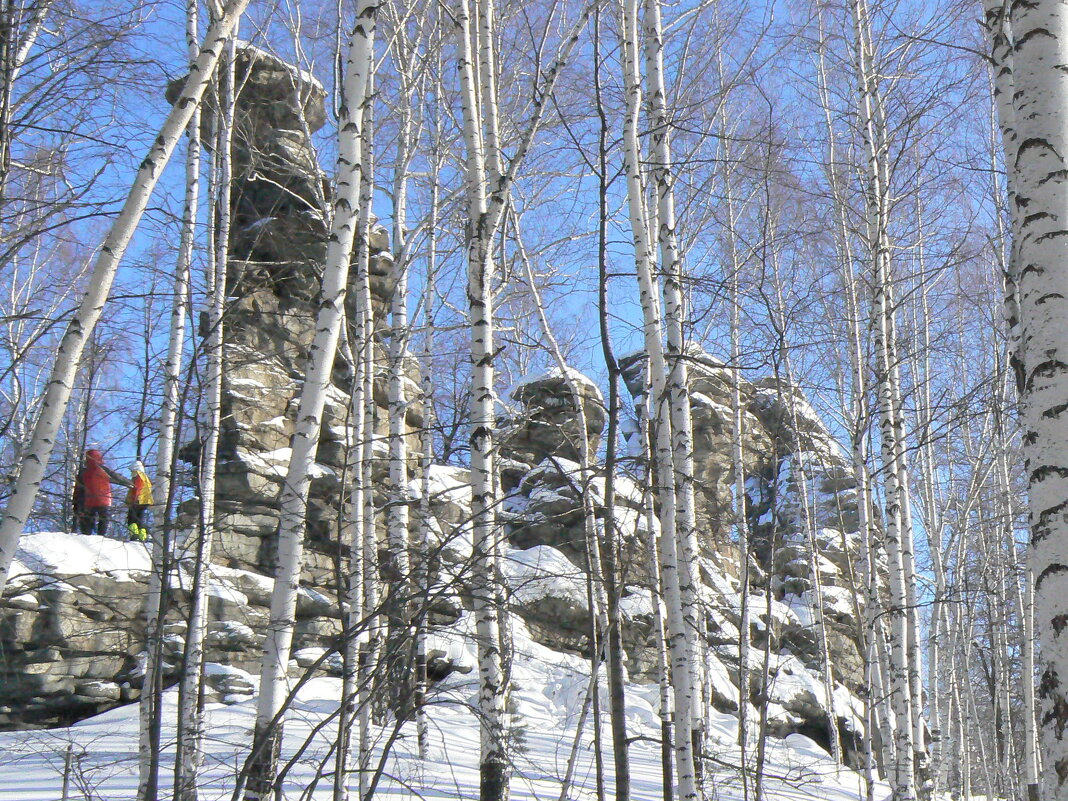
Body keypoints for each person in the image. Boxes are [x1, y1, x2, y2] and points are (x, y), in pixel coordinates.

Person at [72, 449, 117, 537]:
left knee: (86, 518)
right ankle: (101, 536)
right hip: (104, 500)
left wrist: (76, 505)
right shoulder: (104, 471)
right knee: (103, 518)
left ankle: (87, 535)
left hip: (88, 501)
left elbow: (78, 490)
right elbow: (117, 478)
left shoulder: (83, 472)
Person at [125, 460, 153, 542]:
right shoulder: (145, 477)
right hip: (144, 501)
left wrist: (132, 500)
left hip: (138, 501)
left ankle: (134, 535)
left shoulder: (138, 477)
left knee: (132, 519)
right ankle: (142, 537)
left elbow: (137, 489)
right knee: (140, 519)